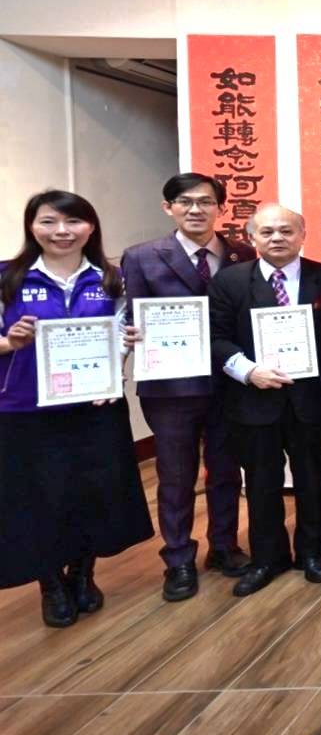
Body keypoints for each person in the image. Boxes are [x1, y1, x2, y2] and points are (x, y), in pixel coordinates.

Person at [0, 190, 154, 627]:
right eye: (49, 222)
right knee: (38, 497)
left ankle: (83, 574)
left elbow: (122, 333)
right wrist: (10, 342)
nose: (62, 232)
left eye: (73, 222)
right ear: (32, 226)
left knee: (92, 491)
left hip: (93, 405)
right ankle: (50, 583)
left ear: (91, 227)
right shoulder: (7, 277)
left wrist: (119, 362)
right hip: (24, 408)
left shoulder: (112, 279)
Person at [121, 173, 254, 602]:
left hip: (228, 382)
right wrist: (131, 336)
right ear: (169, 208)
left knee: (226, 470)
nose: (195, 209)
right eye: (185, 201)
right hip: (170, 386)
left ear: (220, 207)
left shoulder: (242, 253)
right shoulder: (141, 257)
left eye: (206, 202)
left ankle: (224, 546)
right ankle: (178, 558)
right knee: (176, 475)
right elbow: (131, 317)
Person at [209, 203, 321, 597]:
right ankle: (267, 558)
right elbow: (215, 337)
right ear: (252, 238)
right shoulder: (229, 281)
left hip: (309, 400)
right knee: (261, 482)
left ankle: (312, 554)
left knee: (312, 480)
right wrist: (248, 371)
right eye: (267, 232)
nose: (277, 238)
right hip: (252, 399)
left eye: (286, 230)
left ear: (303, 235)